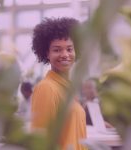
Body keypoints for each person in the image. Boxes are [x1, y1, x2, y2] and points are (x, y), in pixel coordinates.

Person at [31, 17, 87, 150]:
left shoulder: (67, 88)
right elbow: (41, 142)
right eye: (57, 50)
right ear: (47, 53)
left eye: (69, 49)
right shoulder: (46, 88)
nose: (65, 54)